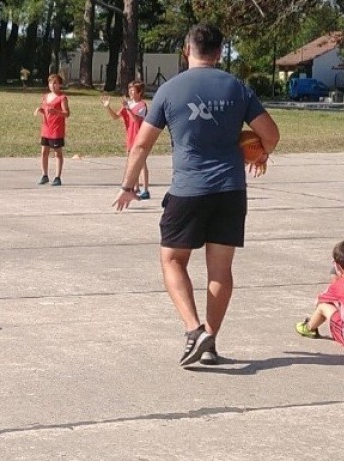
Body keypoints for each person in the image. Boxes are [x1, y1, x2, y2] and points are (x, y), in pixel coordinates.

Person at [112, 23, 279, 367]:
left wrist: (128, 186)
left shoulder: (170, 90)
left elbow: (142, 143)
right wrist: (261, 153)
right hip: (231, 190)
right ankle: (211, 340)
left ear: (187, 50)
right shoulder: (237, 88)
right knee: (220, 271)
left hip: (189, 190)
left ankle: (194, 331)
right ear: (219, 53)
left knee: (172, 260)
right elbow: (271, 135)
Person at [102, 80, 151, 199]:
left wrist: (127, 108)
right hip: (130, 136)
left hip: (140, 136)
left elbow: (135, 120)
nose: (130, 92)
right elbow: (115, 117)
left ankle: (145, 189)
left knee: (142, 163)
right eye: (129, 89)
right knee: (132, 163)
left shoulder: (142, 105)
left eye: (133, 90)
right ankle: (135, 187)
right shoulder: (128, 104)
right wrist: (108, 107)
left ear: (140, 93)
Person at [34, 74, 70, 186]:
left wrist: (57, 112)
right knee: (44, 152)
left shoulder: (62, 98)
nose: (52, 85)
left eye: (55, 83)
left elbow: (67, 113)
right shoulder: (45, 97)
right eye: (50, 83)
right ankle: (44, 175)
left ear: (60, 85)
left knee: (57, 153)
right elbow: (46, 110)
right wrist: (40, 110)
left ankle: (57, 177)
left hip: (56, 130)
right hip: (46, 128)